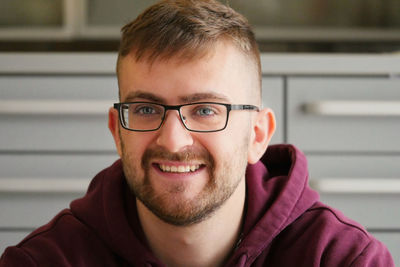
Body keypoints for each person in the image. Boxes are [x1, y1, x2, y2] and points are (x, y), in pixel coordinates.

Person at [0, 0, 394, 266]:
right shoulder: (46, 260)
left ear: (258, 134)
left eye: (206, 110)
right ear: (117, 132)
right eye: (146, 109)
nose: (173, 141)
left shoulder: (341, 259)